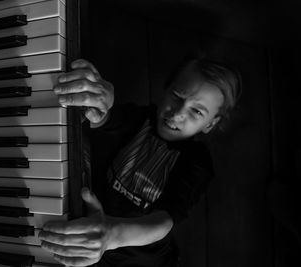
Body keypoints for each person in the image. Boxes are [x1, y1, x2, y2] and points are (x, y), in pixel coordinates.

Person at [38, 58, 241, 267]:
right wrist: (98, 107)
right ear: (166, 88)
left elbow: (164, 220)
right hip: (93, 229)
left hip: (140, 259)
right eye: (177, 96)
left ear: (211, 123)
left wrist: (112, 234)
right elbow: (107, 120)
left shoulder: (197, 162)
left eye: (197, 111)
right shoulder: (143, 117)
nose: (178, 113)